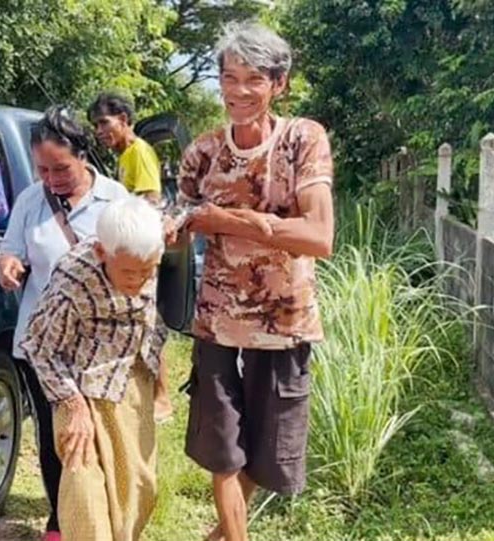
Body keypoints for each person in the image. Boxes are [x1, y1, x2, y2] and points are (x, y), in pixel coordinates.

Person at [177, 23, 335, 541]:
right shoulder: (201, 153)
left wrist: (230, 221)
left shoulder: (302, 140)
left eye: (253, 79)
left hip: (284, 318)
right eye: (229, 78)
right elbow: (179, 233)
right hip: (218, 319)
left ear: (279, 84)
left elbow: (319, 237)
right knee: (224, 446)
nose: (238, 91)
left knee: (266, 451)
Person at [0, 106, 128, 541]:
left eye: (61, 168)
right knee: (58, 440)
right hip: (42, 345)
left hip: (97, 348)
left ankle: (105, 519)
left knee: (102, 438)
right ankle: (60, 523)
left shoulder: (115, 201)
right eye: (42, 169)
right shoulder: (30, 201)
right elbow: (10, 250)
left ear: (83, 155)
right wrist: (9, 264)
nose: (51, 178)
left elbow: (134, 267)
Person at [19, 197, 166, 541]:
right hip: (81, 389)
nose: (141, 281)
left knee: (138, 487)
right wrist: (74, 406)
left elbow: (178, 215)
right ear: (102, 252)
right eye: (130, 273)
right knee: (85, 492)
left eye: (150, 271)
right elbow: (40, 348)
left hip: (129, 381)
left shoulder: (145, 245)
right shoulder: (74, 283)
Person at [88, 92, 174, 423]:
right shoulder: (124, 157)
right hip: (129, 253)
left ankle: (162, 398)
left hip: (141, 253)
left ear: (124, 120)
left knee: (150, 324)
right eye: (96, 125)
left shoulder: (138, 153)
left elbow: (150, 201)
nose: (100, 130)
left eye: (105, 123)